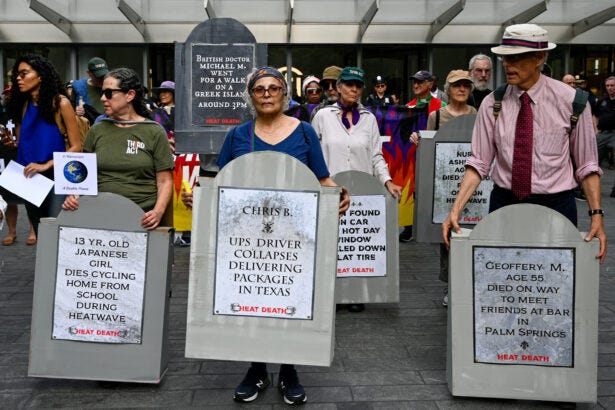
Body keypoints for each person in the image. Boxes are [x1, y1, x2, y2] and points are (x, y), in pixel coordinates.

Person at [216, 66, 349, 405]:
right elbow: (219, 182)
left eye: (273, 88)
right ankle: (257, 368)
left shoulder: (304, 132)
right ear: (251, 96)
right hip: (247, 236)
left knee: (289, 299)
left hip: (295, 234)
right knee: (255, 298)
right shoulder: (237, 135)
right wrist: (196, 198)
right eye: (259, 89)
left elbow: (322, 179)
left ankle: (289, 369)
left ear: (284, 94)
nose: (266, 94)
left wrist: (340, 193)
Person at [442, 23, 607, 265]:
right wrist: (455, 209)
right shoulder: (492, 103)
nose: (507, 64)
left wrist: (597, 216)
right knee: (501, 277)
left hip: (556, 207)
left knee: (553, 282)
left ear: (540, 57)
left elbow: (587, 165)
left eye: (516, 57)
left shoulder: (573, 102)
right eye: (505, 58)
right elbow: (478, 162)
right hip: (504, 203)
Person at [312, 66, 402, 313]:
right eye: (349, 84)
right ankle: (331, 293)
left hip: (362, 192)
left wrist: (387, 180)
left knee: (357, 245)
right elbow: (314, 155)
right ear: (339, 87)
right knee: (332, 243)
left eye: (358, 85)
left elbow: (376, 156)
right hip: (332, 190)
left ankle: (353, 294)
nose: (353, 89)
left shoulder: (369, 119)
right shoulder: (322, 116)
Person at [62, 68, 174, 230]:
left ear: (130, 95)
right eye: (102, 92)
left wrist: (158, 212)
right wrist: (73, 195)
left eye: (109, 93)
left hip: (141, 217)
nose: (102, 98)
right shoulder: (97, 130)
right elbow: (83, 176)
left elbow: (165, 181)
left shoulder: (154, 131)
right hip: (99, 213)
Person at [3, 54, 82, 236]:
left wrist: (46, 164)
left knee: (56, 229)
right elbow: (27, 141)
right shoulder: (22, 104)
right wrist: (14, 144)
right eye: (17, 74)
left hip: (57, 176)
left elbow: (76, 146)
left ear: (40, 76)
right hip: (30, 178)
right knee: (41, 233)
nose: (18, 78)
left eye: (24, 74)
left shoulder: (61, 103)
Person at [421, 70, 477, 307]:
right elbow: (429, 148)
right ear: (448, 89)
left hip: (475, 184)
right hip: (445, 183)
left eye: (466, 85)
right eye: (457, 85)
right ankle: (450, 285)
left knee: (473, 230)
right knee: (449, 234)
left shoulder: (478, 114)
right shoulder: (436, 116)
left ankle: (472, 283)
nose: (462, 89)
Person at [402, 70, 445, 242]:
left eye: (420, 81)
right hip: (413, 155)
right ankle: (409, 227)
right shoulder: (408, 106)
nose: (416, 85)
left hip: (434, 154)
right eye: (414, 82)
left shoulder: (441, 105)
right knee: (412, 189)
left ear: (430, 84)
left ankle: (431, 224)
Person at [72, 57, 109, 124]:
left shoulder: (111, 86)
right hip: (87, 128)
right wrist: (76, 111)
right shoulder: (79, 87)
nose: (102, 79)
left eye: (104, 76)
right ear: (89, 73)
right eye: (98, 76)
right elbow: (70, 110)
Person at [594, 76, 615, 193]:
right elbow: (594, 115)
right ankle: (591, 188)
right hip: (603, 134)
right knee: (594, 162)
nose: (610, 88)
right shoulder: (602, 100)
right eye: (608, 86)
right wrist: (595, 129)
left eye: (612, 85)